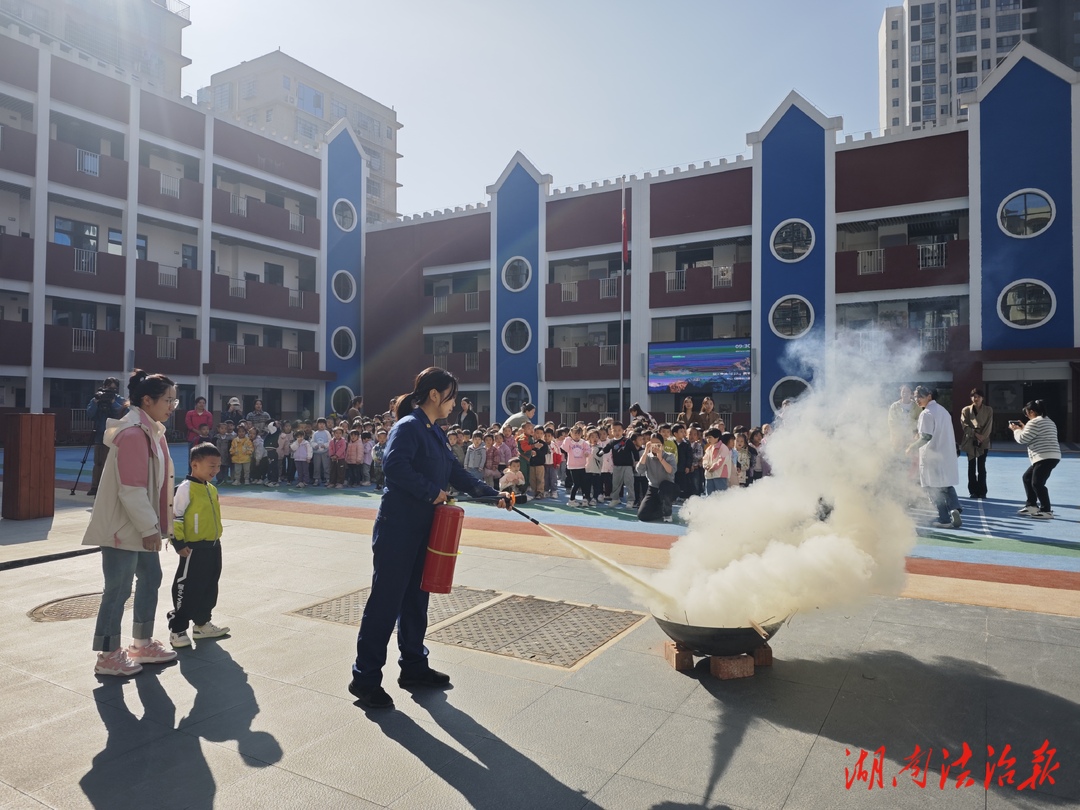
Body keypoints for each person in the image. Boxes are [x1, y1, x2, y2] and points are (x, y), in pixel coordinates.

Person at [349, 367, 512, 710]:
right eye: (451, 395)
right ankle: (364, 679)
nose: (455, 403)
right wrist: (431, 492)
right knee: (386, 602)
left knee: (416, 600)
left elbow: (455, 471)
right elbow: (394, 468)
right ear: (435, 395)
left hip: (425, 527)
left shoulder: (434, 432)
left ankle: (413, 668)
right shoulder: (407, 427)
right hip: (399, 527)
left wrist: (491, 494)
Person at [82, 369, 178, 676]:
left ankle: (141, 643)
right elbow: (131, 488)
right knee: (118, 588)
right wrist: (150, 528)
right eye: (167, 399)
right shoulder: (135, 433)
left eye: (174, 399)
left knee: (150, 579)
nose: (172, 405)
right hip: (124, 528)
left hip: (139, 526)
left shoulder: (151, 430)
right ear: (147, 401)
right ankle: (108, 653)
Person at [168, 442, 230, 648]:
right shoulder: (185, 489)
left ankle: (202, 624)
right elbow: (176, 516)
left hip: (212, 545)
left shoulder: (211, 489)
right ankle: (177, 629)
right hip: (192, 547)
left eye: (218, 466)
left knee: (209, 585)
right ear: (195, 465)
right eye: (211, 465)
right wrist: (178, 542)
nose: (216, 470)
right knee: (187, 586)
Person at [907, 386, 962, 529]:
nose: (916, 400)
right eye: (915, 397)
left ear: (929, 396)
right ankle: (954, 508)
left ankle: (944, 519)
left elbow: (926, 436)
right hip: (946, 454)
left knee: (932, 488)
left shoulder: (926, 413)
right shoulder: (943, 411)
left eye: (919, 396)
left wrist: (912, 447)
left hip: (932, 454)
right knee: (946, 483)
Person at [1010, 400, 1061, 519]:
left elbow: (1022, 439)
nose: (1027, 417)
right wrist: (1024, 427)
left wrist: (1016, 430)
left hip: (1044, 456)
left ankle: (1046, 510)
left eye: (1027, 414)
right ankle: (1032, 505)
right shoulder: (1049, 421)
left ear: (1032, 412)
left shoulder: (1034, 422)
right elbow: (1034, 435)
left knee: (1037, 483)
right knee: (1027, 478)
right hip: (1051, 456)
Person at [85, 376, 126, 497]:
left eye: (113, 389)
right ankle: (95, 486)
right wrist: (96, 402)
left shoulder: (120, 400)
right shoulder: (97, 398)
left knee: (113, 463)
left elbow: (122, 414)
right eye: (108, 388)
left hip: (114, 436)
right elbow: (90, 414)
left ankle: (110, 488)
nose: (110, 391)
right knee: (98, 462)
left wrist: (112, 402)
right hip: (99, 434)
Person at [959, 388, 993, 499]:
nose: (976, 398)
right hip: (970, 440)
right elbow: (964, 425)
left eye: (978, 396)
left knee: (982, 466)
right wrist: (975, 434)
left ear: (982, 398)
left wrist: (982, 437)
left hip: (984, 440)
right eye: (974, 396)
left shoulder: (988, 410)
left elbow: (989, 425)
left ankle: (982, 491)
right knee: (971, 466)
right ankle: (973, 490)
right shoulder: (966, 410)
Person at [636, 433, 678, 523]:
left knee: (665, 486)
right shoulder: (647, 457)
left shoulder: (669, 456)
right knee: (642, 515)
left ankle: (667, 513)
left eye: (658, 444)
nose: (655, 447)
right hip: (653, 488)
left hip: (668, 488)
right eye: (653, 444)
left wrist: (660, 458)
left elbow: (671, 471)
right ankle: (660, 511)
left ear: (662, 445)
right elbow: (639, 470)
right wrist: (646, 450)